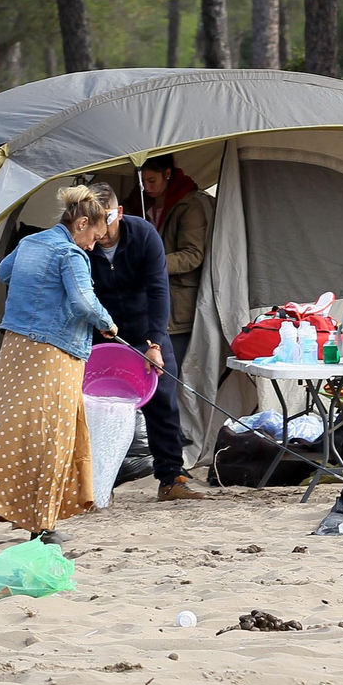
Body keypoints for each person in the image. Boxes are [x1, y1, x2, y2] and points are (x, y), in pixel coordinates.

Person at [0, 186, 118, 544]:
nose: (93, 246)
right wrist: (107, 322)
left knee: (17, 431)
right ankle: (42, 524)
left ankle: (19, 511)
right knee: (52, 436)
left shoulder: (31, 242)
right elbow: (83, 302)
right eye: (95, 237)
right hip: (53, 354)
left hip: (15, 349)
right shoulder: (70, 254)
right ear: (82, 223)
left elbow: (5, 273)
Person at [88, 182, 205, 501]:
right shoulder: (82, 242)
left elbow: (158, 289)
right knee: (98, 405)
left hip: (146, 329)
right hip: (101, 331)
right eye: (94, 221)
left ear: (118, 212)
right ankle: (98, 483)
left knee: (163, 401)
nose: (101, 231)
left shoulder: (143, 235)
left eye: (106, 219)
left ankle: (171, 477)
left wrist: (155, 343)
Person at [137, 154, 212, 370]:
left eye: (152, 181)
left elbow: (193, 254)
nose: (147, 187)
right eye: (143, 181)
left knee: (170, 370)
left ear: (167, 174)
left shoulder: (189, 205)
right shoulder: (140, 202)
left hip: (177, 304)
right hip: (149, 301)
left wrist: (154, 265)